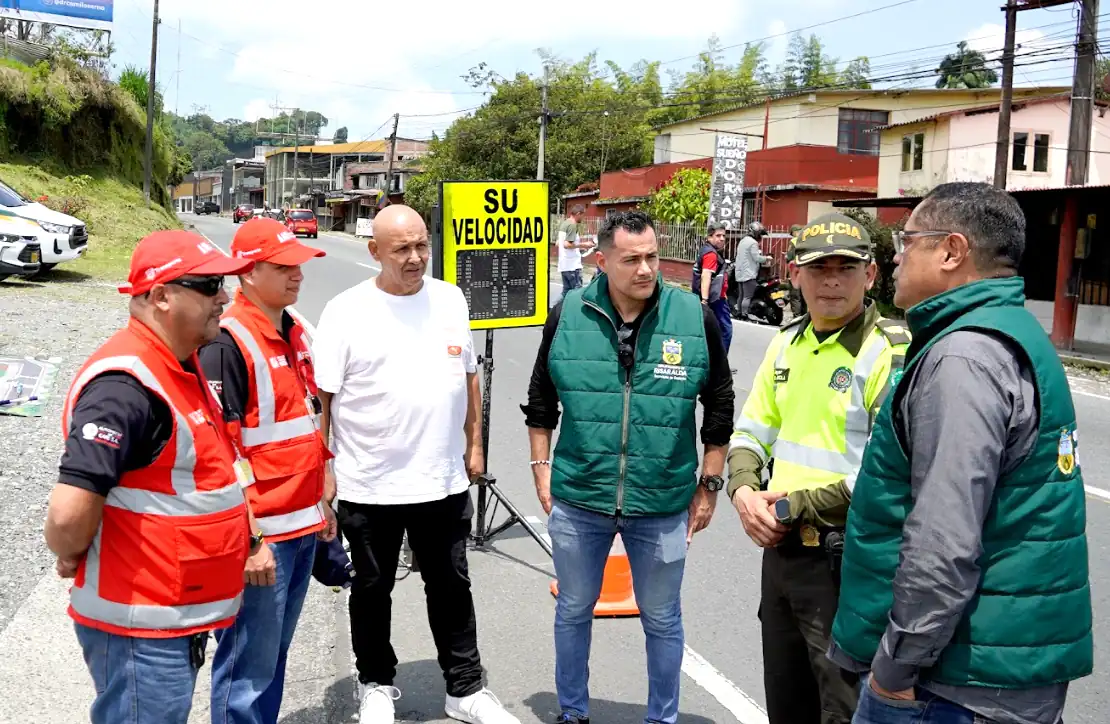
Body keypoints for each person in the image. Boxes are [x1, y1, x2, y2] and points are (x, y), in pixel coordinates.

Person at [830, 182, 1093, 724]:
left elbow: (943, 540)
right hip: (997, 668)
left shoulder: (963, 358)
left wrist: (894, 671)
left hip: (952, 684)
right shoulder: (1012, 332)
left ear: (952, 251)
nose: (895, 256)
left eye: (907, 241)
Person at [523, 210, 735, 724]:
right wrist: (541, 468)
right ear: (602, 261)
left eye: (652, 257)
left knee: (662, 619)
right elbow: (540, 399)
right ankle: (572, 711)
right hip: (579, 496)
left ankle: (661, 718)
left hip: (661, 500)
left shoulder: (692, 316)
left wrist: (708, 484)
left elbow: (720, 402)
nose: (646, 269)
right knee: (573, 610)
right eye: (631, 259)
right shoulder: (568, 313)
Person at [311, 204, 519, 724]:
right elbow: (324, 400)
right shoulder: (345, 310)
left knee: (451, 585)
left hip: (441, 478)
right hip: (369, 481)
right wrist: (324, 472)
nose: (415, 257)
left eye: (422, 245)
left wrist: (475, 445)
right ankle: (376, 683)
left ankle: (465, 689)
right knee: (372, 588)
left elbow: (469, 375)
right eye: (402, 248)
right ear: (375, 251)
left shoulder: (449, 299)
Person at [44, 230, 257, 724]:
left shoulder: (176, 366)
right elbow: (68, 514)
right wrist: (72, 548)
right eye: (209, 285)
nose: (224, 296)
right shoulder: (125, 387)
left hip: (168, 615)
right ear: (161, 296)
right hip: (140, 626)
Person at [728, 212, 910, 724]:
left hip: (846, 561)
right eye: (819, 268)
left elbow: (888, 471)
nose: (832, 280)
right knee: (786, 703)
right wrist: (743, 491)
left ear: (870, 276)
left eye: (846, 268)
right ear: (795, 274)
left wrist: (788, 505)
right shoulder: (786, 343)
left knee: (844, 709)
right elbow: (751, 433)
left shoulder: (887, 353)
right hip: (781, 554)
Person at [198, 217, 338, 724]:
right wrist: (249, 540)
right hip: (262, 540)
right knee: (246, 669)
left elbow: (303, 419)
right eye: (284, 267)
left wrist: (324, 495)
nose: (297, 275)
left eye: (298, 264)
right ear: (249, 272)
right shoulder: (227, 343)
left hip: (300, 525)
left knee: (272, 658)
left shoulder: (294, 331)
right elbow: (219, 453)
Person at [692, 221, 734, 352]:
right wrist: (704, 300)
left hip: (715, 297)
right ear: (709, 237)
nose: (722, 239)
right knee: (725, 330)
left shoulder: (707, 250)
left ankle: (712, 361)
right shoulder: (711, 254)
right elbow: (706, 276)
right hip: (715, 300)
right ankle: (721, 365)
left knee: (710, 330)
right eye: (718, 235)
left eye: (723, 236)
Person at [733, 221, 770, 319]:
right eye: (760, 234)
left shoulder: (743, 240)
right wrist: (767, 258)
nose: (761, 237)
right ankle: (744, 314)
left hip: (740, 272)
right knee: (747, 296)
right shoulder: (753, 243)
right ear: (756, 233)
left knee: (741, 295)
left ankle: (739, 313)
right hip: (749, 273)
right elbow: (757, 258)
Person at [557, 204, 595, 298]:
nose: (583, 218)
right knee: (577, 293)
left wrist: (579, 247)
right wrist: (584, 244)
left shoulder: (564, 224)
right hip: (572, 266)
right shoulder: (572, 225)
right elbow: (567, 244)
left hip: (564, 265)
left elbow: (558, 243)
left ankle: (556, 311)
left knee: (566, 293)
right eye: (583, 215)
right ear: (578, 214)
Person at [784, 223, 807, 318]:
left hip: (795, 272)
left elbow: (789, 257)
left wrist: (786, 256)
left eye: (792, 233)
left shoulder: (793, 241)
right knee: (804, 295)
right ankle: (804, 316)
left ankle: (797, 317)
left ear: (795, 232)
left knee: (795, 296)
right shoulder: (806, 241)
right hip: (806, 271)